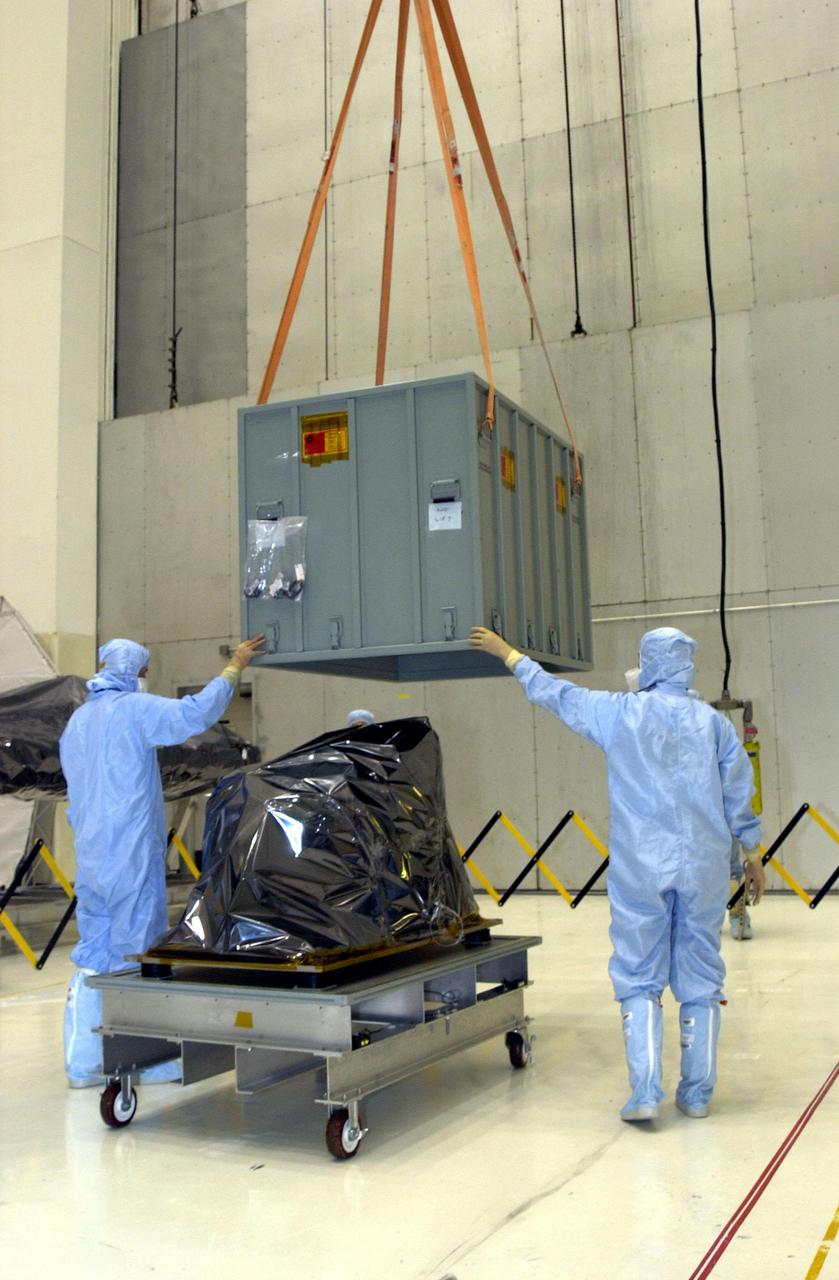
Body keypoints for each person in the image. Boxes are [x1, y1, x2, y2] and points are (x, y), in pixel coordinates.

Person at [469, 624, 764, 1122]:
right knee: (700, 975)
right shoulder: (713, 724)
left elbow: (555, 693)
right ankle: (696, 1095)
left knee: (638, 973)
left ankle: (646, 1091)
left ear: (648, 663)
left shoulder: (620, 714)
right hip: (704, 866)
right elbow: (739, 790)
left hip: (641, 866)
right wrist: (753, 852)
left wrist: (508, 654)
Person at [60, 634, 265, 1087]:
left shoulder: (78, 722)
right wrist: (235, 666)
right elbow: (193, 714)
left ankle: (85, 1062)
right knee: (138, 953)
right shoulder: (134, 711)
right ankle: (143, 1060)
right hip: (130, 853)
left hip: (91, 856)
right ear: (138, 671)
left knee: (94, 953)